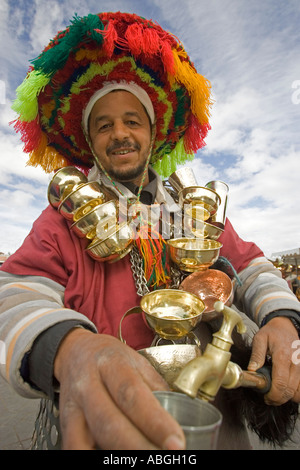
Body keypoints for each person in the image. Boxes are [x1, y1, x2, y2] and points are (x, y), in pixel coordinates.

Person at [0, 12, 300, 451]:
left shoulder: (191, 211)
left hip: (217, 426)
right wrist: (70, 349)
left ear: (153, 133)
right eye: (104, 124)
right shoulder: (62, 220)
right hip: (104, 432)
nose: (119, 133)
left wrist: (282, 319)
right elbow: (14, 292)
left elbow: (253, 266)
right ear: (90, 141)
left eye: (131, 121)